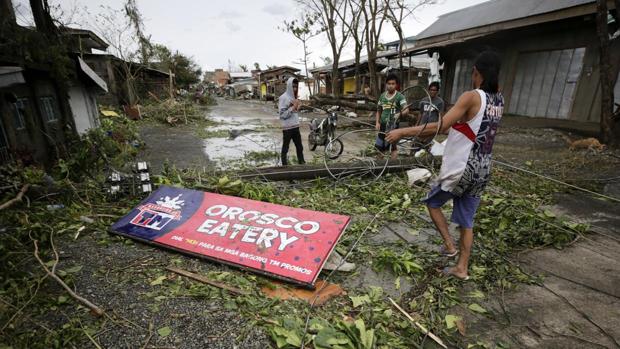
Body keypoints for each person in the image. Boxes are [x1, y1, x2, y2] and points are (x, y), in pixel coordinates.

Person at [386, 51, 504, 280]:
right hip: (483, 167)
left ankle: (449, 246)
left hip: (463, 167)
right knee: (467, 219)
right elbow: (473, 125)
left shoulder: (471, 96)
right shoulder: (499, 99)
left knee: (432, 202)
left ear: (476, 72)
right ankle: (462, 267)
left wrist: (402, 131)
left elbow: (441, 126)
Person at [375, 74, 409, 160]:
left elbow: (406, 110)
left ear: (396, 85)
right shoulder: (382, 96)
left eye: (393, 83)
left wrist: (400, 114)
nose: (390, 85)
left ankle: (393, 165)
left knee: (392, 146)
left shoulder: (399, 96)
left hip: (393, 125)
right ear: (386, 84)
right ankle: (379, 166)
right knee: (380, 146)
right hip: (383, 125)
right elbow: (379, 110)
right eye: (389, 83)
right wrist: (377, 122)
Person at [278, 77, 305, 166]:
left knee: (300, 147)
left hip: (295, 126)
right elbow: (282, 115)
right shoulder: (283, 98)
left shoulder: (294, 97)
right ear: (289, 86)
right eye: (293, 86)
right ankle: (284, 167)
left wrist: (298, 107)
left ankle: (302, 165)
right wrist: (293, 107)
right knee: (285, 148)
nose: (295, 89)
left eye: (296, 87)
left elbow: (294, 112)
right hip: (287, 128)